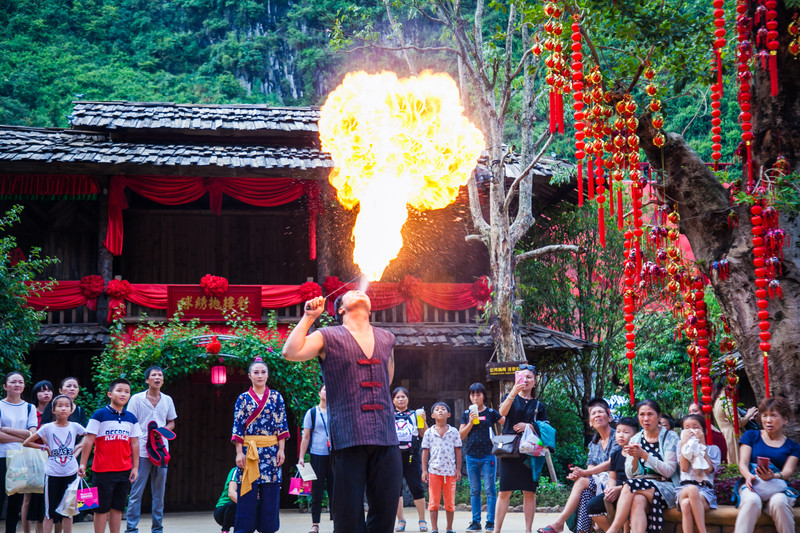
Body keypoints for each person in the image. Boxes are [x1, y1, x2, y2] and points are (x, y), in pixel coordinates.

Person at [282, 291, 403, 533]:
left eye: (362, 293)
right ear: (340, 310)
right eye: (351, 293)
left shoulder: (387, 338)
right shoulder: (327, 336)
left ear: (370, 309)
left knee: (385, 514)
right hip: (349, 438)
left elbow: (386, 379)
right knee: (348, 517)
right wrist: (308, 318)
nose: (359, 292)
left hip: (386, 437)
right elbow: (290, 352)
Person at [538, 398, 619, 533]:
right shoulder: (593, 444)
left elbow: (612, 462)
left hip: (615, 480)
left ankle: (559, 522)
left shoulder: (617, 436)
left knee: (582, 482)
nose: (597, 415)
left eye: (601, 412)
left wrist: (584, 474)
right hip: (599, 482)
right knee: (585, 491)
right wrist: (580, 473)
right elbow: (590, 469)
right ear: (590, 423)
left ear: (609, 417)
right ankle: (582, 531)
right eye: (593, 414)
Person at [604, 399, 680, 533]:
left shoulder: (671, 437)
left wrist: (645, 455)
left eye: (650, 414)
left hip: (668, 487)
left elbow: (668, 471)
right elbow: (631, 474)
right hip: (643, 486)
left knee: (629, 485)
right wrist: (635, 458)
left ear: (659, 415)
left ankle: (613, 530)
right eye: (642, 414)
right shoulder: (636, 438)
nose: (646, 419)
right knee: (637, 500)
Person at [231, 358, 289, 533]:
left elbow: (282, 425)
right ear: (249, 376)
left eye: (263, 372)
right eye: (256, 372)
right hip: (249, 452)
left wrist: (281, 450)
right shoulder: (243, 398)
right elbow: (238, 426)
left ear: (268, 375)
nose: (260, 375)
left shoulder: (276, 397)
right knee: (247, 495)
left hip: (271, 452)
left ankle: (268, 529)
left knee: (270, 495)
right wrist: (239, 452)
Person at [78, 378, 141, 533]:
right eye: (119, 390)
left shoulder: (131, 418)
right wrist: (82, 464)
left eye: (127, 392)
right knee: (100, 509)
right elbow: (89, 440)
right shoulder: (99, 414)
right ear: (109, 394)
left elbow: (135, 444)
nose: (123, 394)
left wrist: (136, 467)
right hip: (102, 471)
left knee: (117, 508)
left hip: (124, 471)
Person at [494, 364, 548, 533]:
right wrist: (512, 393)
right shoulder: (510, 397)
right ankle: (496, 530)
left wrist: (529, 426)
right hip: (509, 450)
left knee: (529, 492)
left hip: (530, 452)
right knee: (504, 492)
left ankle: (528, 530)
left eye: (529, 377)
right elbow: (501, 413)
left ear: (535, 381)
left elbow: (545, 428)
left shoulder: (539, 405)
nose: (525, 380)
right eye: (522, 377)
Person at [734, 397, 800, 533]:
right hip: (753, 484)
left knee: (780, 502)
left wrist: (773, 476)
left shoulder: (793, 447)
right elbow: (743, 463)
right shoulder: (751, 435)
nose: (768, 420)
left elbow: (787, 472)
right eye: (765, 416)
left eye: (773, 416)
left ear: (785, 420)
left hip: (777, 486)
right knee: (752, 501)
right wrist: (748, 476)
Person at [125, 366, 177, 533]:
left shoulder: (167, 400)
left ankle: (157, 528)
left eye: (160, 375)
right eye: (153, 375)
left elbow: (172, 422)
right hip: (140, 451)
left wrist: (162, 431)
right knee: (136, 492)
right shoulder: (136, 399)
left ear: (163, 380)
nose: (157, 377)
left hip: (162, 451)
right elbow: (130, 422)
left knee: (159, 494)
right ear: (147, 380)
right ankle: (131, 528)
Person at [23, 395, 85, 533]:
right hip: (52, 473)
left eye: (67, 406)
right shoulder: (48, 428)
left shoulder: (76, 426)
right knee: (49, 511)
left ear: (71, 410)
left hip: (71, 472)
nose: (63, 408)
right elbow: (27, 442)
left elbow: (91, 438)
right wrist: (44, 447)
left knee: (69, 510)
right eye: (60, 405)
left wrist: (79, 446)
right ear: (53, 410)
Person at [459, 382, 504, 532]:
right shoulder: (466, 414)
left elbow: (506, 422)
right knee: (475, 490)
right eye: (472, 394)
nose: (475, 397)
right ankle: (475, 523)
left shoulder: (491, 412)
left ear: (483, 396)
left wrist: (503, 439)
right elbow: (461, 435)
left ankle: (490, 522)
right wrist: (471, 422)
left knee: (490, 489)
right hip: (471, 456)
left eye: (478, 394)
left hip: (488, 456)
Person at [0, 371, 39, 533]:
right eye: (13, 382)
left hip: (20, 458)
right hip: (1, 457)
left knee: (15, 500)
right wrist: (21, 435)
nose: (17, 385)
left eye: (20, 382)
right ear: (5, 386)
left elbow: (32, 434)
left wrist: (8, 430)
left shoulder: (29, 408)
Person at [587, 417, 639, 532]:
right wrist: (609, 489)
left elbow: (639, 479)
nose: (621, 435)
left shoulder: (638, 453)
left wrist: (619, 489)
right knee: (592, 506)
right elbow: (612, 477)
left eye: (626, 432)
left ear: (636, 435)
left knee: (626, 504)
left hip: (632, 490)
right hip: (615, 489)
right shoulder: (615, 454)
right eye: (618, 431)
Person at [675, 414, 721, 533]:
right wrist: (684, 443)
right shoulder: (680, 447)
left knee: (686, 504)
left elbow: (708, 470)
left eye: (696, 427)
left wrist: (702, 444)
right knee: (692, 489)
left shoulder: (714, 449)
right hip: (684, 489)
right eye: (687, 428)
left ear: (704, 431)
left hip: (705, 492)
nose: (691, 431)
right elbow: (684, 468)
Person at [298, 385, 334, 533]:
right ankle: (315, 524)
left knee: (335, 490)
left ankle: (336, 523)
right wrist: (301, 456)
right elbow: (306, 436)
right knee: (316, 491)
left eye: (329, 389)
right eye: (324, 389)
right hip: (317, 455)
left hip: (334, 456)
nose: (327, 391)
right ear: (319, 393)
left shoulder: (335, 411)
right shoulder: (312, 413)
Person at [421, 402, 462, 533]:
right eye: (437, 410)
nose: (440, 411)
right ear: (432, 415)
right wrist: (424, 470)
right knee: (433, 501)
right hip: (434, 472)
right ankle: (434, 529)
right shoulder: (429, 432)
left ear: (448, 414)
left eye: (443, 409)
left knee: (450, 502)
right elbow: (425, 452)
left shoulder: (454, 431)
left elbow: (458, 451)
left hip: (450, 473)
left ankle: (449, 528)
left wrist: (458, 470)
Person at [392, 386, 428, 533]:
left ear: (408, 399)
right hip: (393, 456)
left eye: (403, 396)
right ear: (393, 400)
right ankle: (400, 520)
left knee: (416, 487)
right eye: (397, 397)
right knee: (395, 488)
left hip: (412, 455)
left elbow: (424, 434)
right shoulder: (389, 415)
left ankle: (422, 519)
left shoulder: (415, 415)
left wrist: (423, 421)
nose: (401, 399)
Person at [24, 380, 54, 533]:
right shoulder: (30, 411)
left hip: (52, 458)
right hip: (33, 456)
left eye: (49, 390)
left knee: (47, 498)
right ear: (35, 394)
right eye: (42, 390)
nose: (46, 393)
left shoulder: (56, 412)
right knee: (29, 497)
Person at [710, 381, 758, 464]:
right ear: (727, 387)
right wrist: (749, 414)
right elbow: (738, 423)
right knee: (738, 461)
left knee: (731, 461)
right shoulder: (726, 402)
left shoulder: (716, 401)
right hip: (732, 435)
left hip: (724, 434)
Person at [214, 467, 239, 533]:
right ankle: (225, 530)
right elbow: (231, 494)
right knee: (233, 503)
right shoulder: (236, 470)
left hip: (243, 510)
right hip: (223, 512)